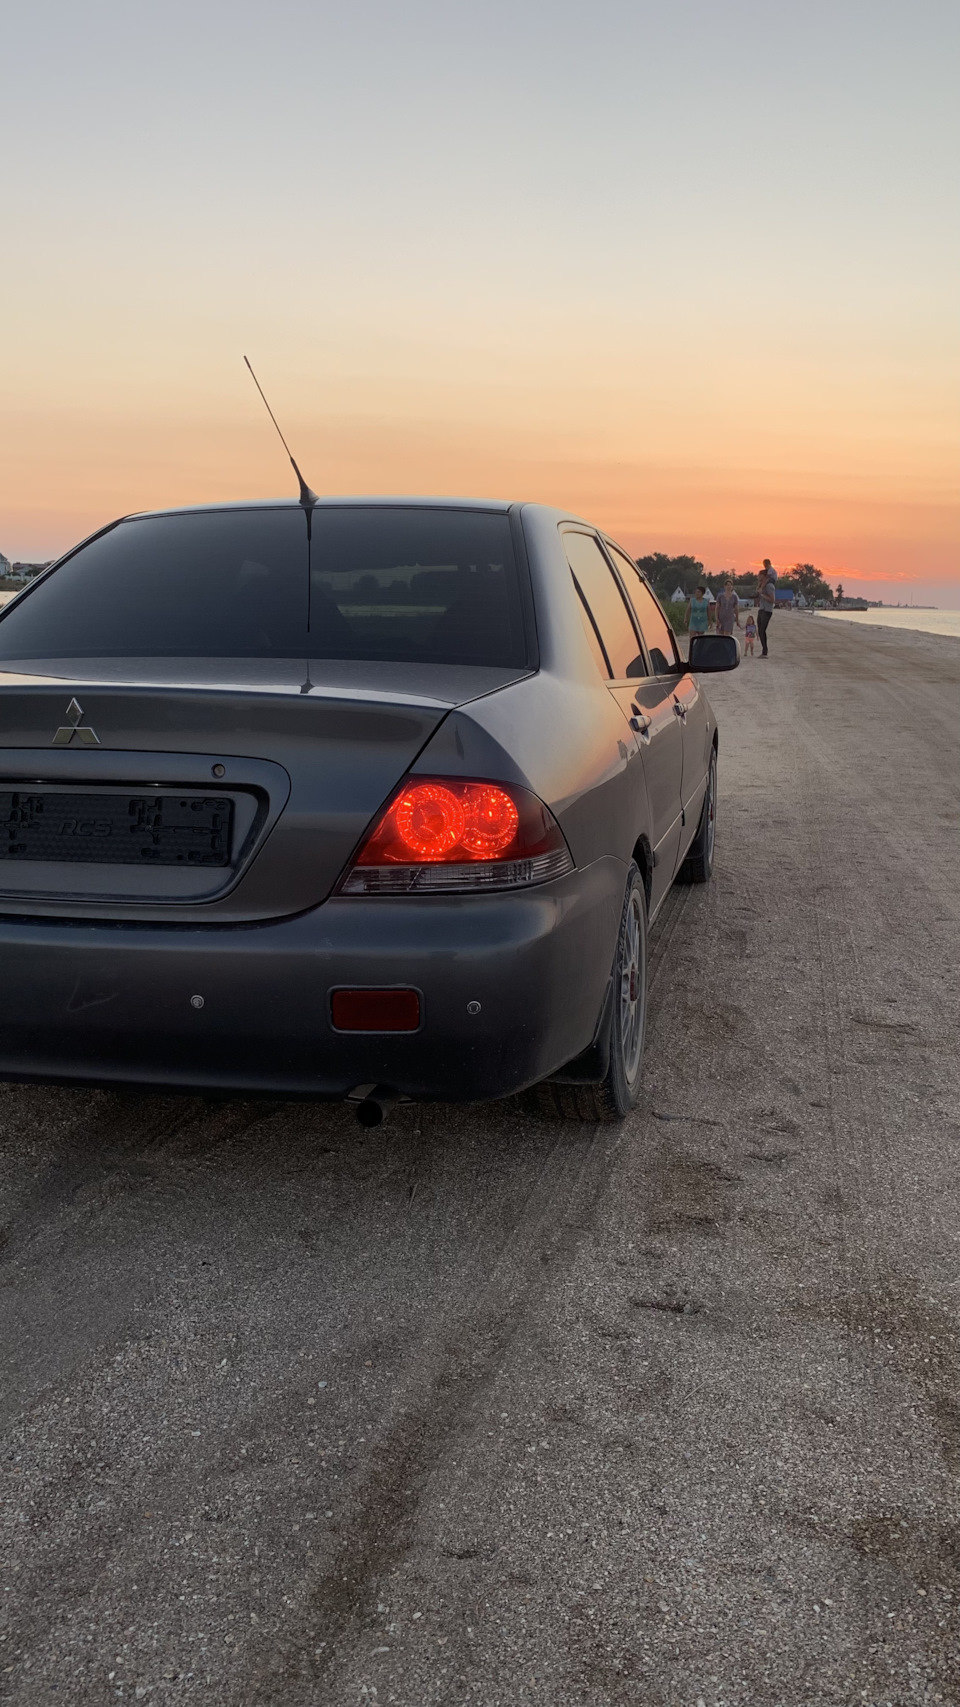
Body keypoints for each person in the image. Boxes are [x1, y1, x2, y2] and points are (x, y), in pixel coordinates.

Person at [756, 558, 777, 656]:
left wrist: (762, 595)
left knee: (762, 630)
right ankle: (764, 649)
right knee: (760, 630)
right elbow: (758, 593)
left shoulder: (769, 586)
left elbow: (772, 600)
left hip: (767, 610)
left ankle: (765, 651)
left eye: (759, 575)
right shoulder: (762, 586)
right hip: (761, 609)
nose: (758, 577)